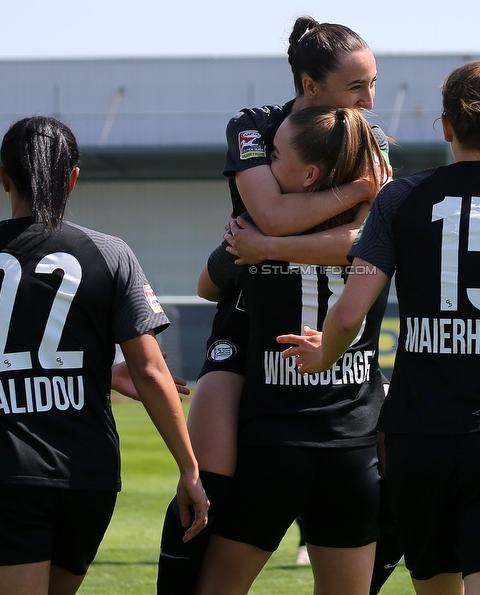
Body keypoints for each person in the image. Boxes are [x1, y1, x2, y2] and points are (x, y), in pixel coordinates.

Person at [280, 53, 480, 595]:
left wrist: (326, 353)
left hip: (417, 441)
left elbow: (351, 313)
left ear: (447, 125)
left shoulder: (400, 199)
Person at [153, 15, 401, 595]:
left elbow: (363, 244)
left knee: (387, 478)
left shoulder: (370, 137)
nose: (370, 100)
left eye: (372, 84)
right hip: (248, 318)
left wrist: (265, 248)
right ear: (311, 88)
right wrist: (359, 192)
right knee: (210, 478)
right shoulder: (256, 126)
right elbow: (267, 216)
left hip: (325, 334)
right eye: (356, 86)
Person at [0, 116, 208, 595]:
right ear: (73, 178)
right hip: (85, 473)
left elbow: (6, 355)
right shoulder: (110, 253)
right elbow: (151, 370)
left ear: (4, 177)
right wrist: (190, 470)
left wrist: (101, 372)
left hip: (2, 469)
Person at [194, 105, 387, 595]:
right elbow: (365, 237)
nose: (263, 168)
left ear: (309, 174)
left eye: (274, 156)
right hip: (352, 444)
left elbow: (206, 285)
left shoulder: (253, 234)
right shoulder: (376, 238)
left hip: (274, 444)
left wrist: (258, 247)